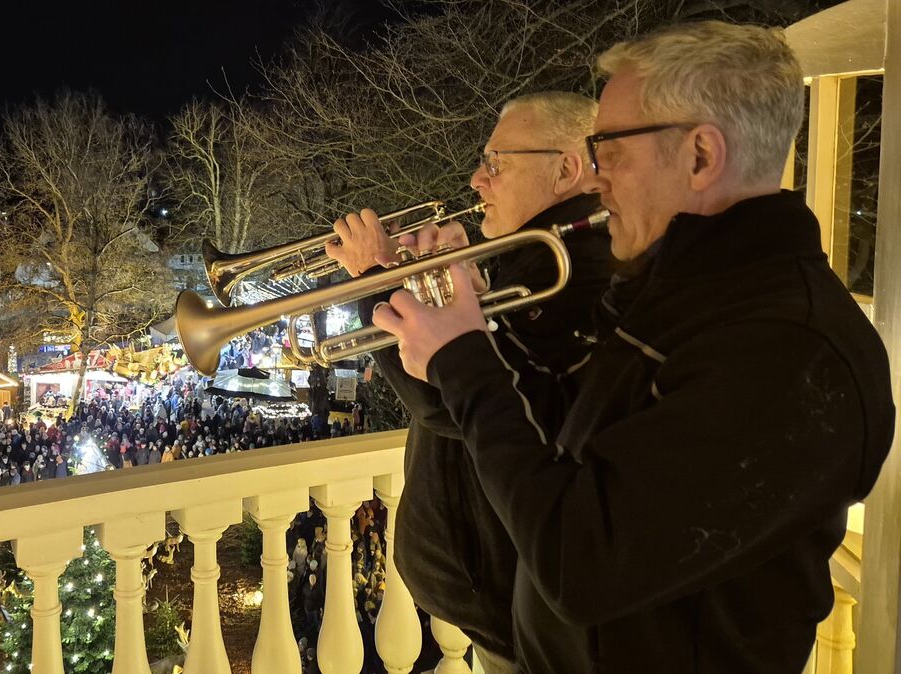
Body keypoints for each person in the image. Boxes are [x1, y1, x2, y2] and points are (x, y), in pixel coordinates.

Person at [372, 21, 894, 673]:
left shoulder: (787, 352)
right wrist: (449, 348)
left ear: (700, 156)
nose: (595, 174)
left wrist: (465, 359)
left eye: (609, 147)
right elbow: (571, 437)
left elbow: (580, 560)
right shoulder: (676, 291)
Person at [326, 91, 613, 670]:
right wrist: (452, 285)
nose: (478, 179)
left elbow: (447, 402)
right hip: (502, 594)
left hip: (514, 607)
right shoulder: (535, 260)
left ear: (566, 169)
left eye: (497, 163)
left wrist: (378, 279)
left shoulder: (568, 271)